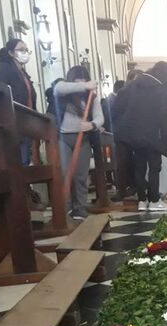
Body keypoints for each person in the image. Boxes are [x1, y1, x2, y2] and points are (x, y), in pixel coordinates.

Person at [113, 61, 167, 212]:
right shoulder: (161, 89)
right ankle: (154, 200)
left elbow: (117, 106)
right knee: (155, 167)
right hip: (151, 134)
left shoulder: (133, 85)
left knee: (140, 167)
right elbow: (163, 116)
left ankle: (142, 200)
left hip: (132, 133)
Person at [54, 66, 104, 221]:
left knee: (80, 176)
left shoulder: (91, 97)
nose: (82, 85)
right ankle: (65, 208)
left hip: (83, 139)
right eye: (78, 81)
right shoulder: (63, 93)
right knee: (65, 174)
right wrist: (84, 85)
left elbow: (99, 117)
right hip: (63, 138)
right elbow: (57, 88)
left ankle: (80, 208)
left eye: (84, 81)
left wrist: (92, 124)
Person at [0, 39, 36, 166]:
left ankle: (24, 183)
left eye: (26, 50)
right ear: (11, 52)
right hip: (14, 119)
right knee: (18, 159)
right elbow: (1, 92)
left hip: (26, 119)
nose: (25, 53)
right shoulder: (4, 68)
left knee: (25, 157)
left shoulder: (22, 71)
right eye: (21, 50)